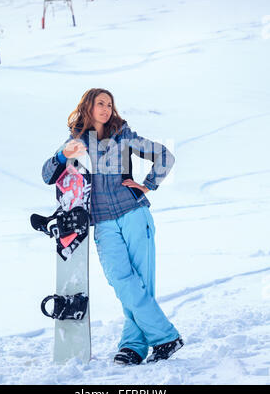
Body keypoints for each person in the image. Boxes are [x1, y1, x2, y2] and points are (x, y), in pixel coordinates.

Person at [42, 88, 183, 365]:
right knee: (121, 280)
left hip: (133, 214)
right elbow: (48, 174)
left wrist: (148, 184)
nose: (106, 109)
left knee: (141, 283)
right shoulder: (76, 142)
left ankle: (133, 346)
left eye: (110, 104)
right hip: (103, 223)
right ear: (88, 107)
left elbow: (165, 155)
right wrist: (62, 156)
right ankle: (165, 336)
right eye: (100, 104)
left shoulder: (124, 136)